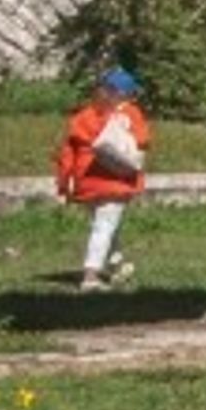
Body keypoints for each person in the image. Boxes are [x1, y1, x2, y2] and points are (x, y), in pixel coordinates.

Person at [52, 67, 150, 291]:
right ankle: (91, 275)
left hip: (86, 181)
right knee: (104, 227)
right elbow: (143, 140)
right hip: (115, 180)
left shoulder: (82, 117)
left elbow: (67, 154)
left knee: (105, 224)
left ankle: (117, 266)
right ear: (125, 94)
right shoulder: (129, 113)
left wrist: (64, 186)